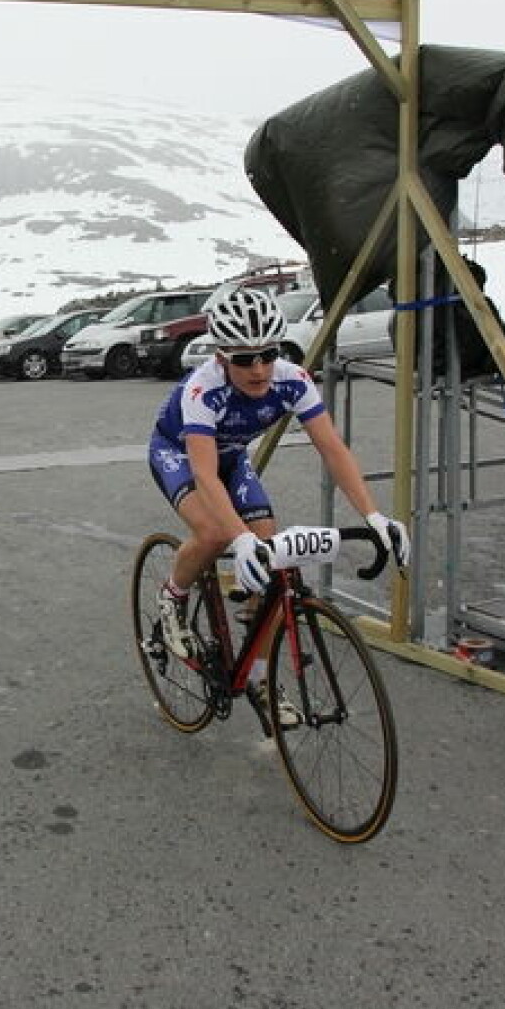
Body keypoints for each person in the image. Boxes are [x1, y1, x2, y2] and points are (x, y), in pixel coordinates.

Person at [148, 285, 410, 718]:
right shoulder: (202, 390)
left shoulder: (292, 380)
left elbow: (332, 448)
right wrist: (238, 537)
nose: (259, 368)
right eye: (244, 359)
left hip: (231, 456)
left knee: (272, 561)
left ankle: (258, 675)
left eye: (268, 353)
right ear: (220, 358)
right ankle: (172, 595)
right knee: (214, 533)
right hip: (179, 453)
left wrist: (374, 514)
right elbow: (205, 475)